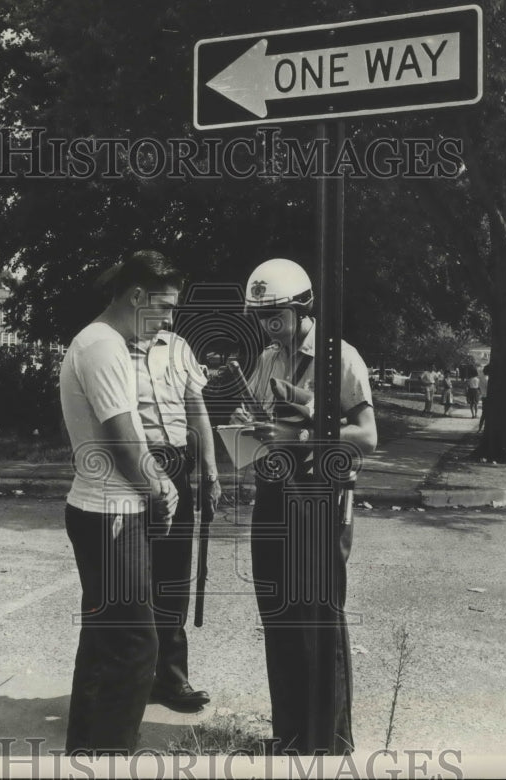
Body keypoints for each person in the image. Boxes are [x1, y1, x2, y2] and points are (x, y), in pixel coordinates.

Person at [230, 258, 377, 755]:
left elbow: (367, 436)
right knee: (278, 613)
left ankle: (329, 741)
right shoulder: (270, 360)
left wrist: (303, 433)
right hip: (274, 495)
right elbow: (260, 416)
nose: (268, 326)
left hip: (321, 497)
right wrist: (247, 423)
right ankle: (289, 734)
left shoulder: (340, 357)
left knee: (318, 615)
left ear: (301, 308)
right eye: (261, 317)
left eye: (276, 315)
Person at [59, 251, 182, 755]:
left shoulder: (98, 342)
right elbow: (123, 439)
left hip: (103, 510)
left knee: (103, 643)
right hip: (110, 513)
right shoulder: (104, 347)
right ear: (137, 297)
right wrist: (162, 486)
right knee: (135, 647)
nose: (170, 320)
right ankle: (111, 757)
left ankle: (85, 754)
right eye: (166, 307)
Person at [126, 319, 221, 711]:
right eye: (161, 300)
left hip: (178, 465)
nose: (168, 313)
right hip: (134, 465)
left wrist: (210, 472)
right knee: (131, 577)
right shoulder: (115, 346)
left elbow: (197, 412)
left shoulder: (178, 346)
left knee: (174, 576)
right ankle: (131, 678)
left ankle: (171, 678)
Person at [477, 364, 490, 432]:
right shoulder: (487, 379)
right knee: (488, 414)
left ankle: (480, 428)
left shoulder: (481, 378)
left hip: (483, 396)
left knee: (484, 413)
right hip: (488, 397)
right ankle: (484, 428)